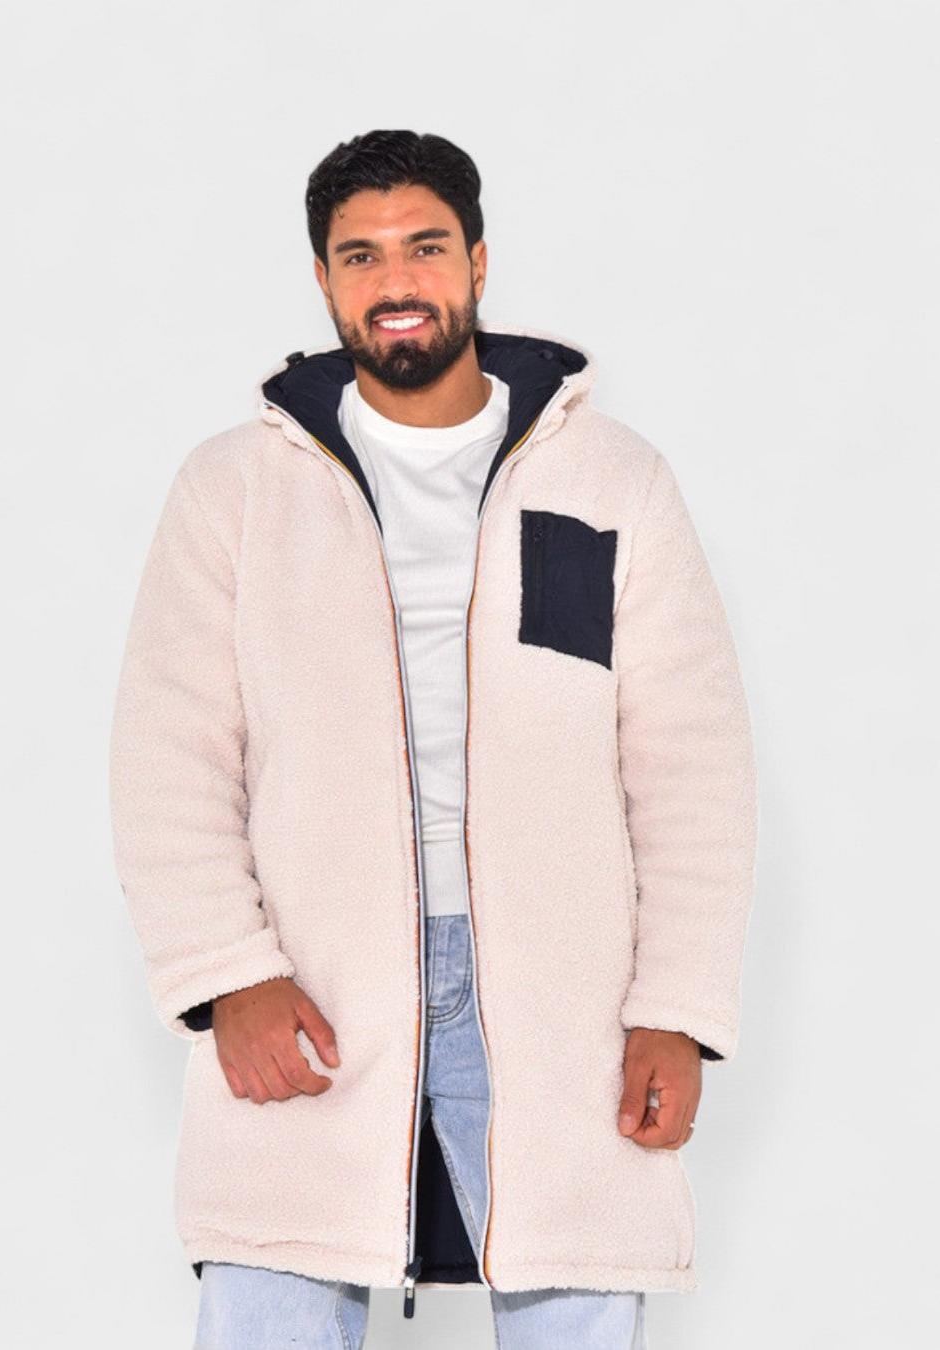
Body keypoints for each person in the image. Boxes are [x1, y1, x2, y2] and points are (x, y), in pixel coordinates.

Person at [109, 129, 758, 1349]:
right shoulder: (232, 489)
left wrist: (673, 1006)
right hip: (310, 973)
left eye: (423, 247)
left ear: (476, 262)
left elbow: (689, 767)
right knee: (267, 1296)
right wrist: (226, 973)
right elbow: (170, 753)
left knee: (575, 1292)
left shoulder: (610, 478)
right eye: (360, 256)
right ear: (322, 278)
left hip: (561, 982)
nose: (394, 281)